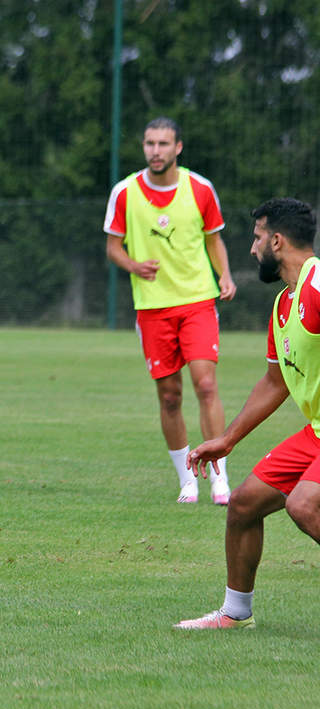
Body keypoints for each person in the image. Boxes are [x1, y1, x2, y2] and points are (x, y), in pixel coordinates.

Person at [176, 198, 320, 629]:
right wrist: (228, 439)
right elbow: (274, 383)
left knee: (304, 504)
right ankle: (235, 614)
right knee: (242, 504)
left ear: (277, 240)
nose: (252, 248)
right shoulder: (282, 305)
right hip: (316, 432)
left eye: (257, 237)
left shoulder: (317, 284)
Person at [104, 116, 236, 505]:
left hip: (197, 300)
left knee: (206, 385)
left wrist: (224, 275)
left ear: (178, 147)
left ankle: (219, 477)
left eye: (163, 144)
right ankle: (186, 481)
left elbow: (214, 240)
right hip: (152, 308)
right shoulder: (125, 192)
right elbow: (113, 246)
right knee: (170, 397)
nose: (155, 151)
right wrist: (134, 266)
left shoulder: (200, 188)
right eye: (149, 143)